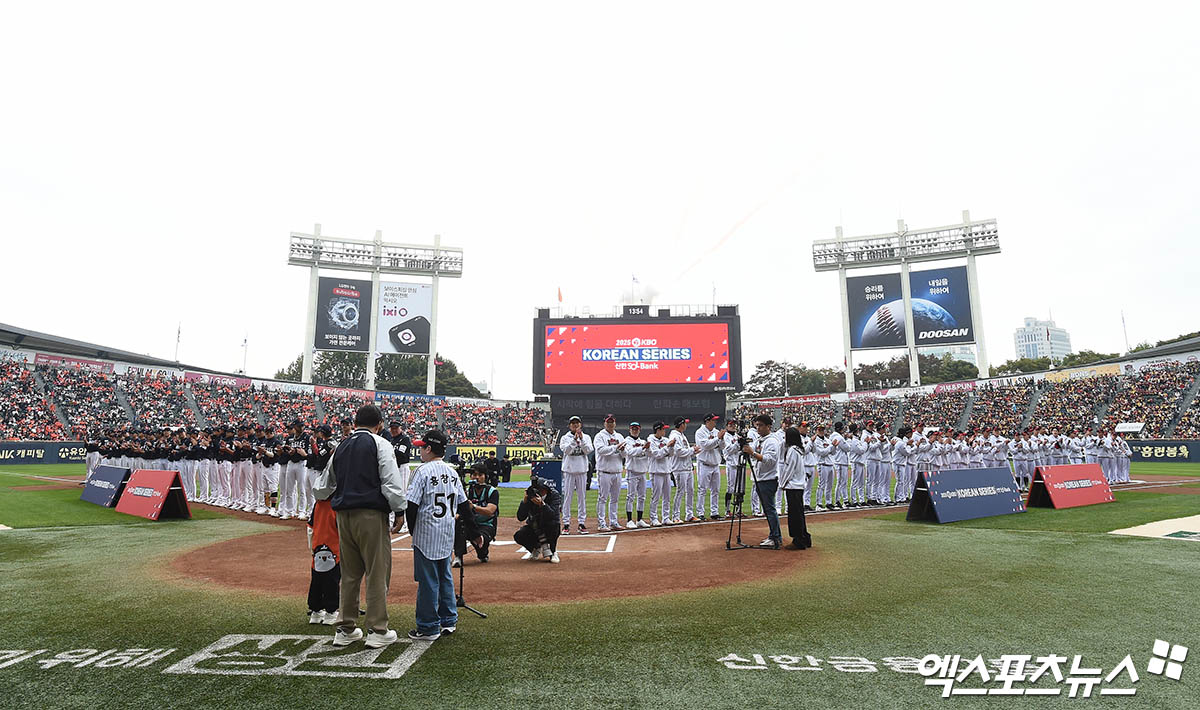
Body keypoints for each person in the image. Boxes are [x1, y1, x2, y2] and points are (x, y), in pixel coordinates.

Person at [314, 404, 408, 649]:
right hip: (370, 513)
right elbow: (391, 482)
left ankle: (345, 628)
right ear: (379, 424)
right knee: (377, 571)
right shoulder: (380, 444)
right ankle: (377, 629)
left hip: (342, 516)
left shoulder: (341, 446)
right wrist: (399, 509)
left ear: (355, 422)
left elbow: (322, 486)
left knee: (349, 573)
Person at [405, 429, 468, 640]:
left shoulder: (422, 471)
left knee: (428, 581)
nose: (420, 450)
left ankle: (428, 626)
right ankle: (448, 620)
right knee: (445, 577)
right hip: (446, 532)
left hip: (426, 534)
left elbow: (411, 506)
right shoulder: (452, 472)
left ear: (429, 448)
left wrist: (413, 531)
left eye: (422, 447)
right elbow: (464, 504)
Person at [741, 414, 782, 549]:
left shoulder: (772, 441)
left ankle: (775, 536)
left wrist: (752, 453)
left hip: (768, 478)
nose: (758, 428)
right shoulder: (760, 440)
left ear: (768, 426)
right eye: (757, 425)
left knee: (770, 509)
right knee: (768, 508)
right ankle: (774, 535)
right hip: (760, 478)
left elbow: (770, 460)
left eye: (761, 425)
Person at [453, 462, 499, 567]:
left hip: (487, 525)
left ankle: (483, 553)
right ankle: (458, 556)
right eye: (474, 475)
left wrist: (473, 507)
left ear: (485, 477)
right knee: (459, 524)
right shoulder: (467, 492)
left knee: (481, 546)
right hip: (471, 524)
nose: (477, 477)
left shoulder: (492, 491)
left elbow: (490, 511)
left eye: (480, 475)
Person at [306, 495, 340, 626]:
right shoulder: (337, 504)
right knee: (332, 580)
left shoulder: (318, 504)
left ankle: (315, 610)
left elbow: (310, 527)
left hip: (318, 547)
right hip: (334, 548)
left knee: (317, 579)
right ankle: (331, 611)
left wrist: (312, 548)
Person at [515, 474, 563, 562]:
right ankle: (535, 548)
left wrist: (542, 505)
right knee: (519, 535)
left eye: (539, 489)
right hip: (534, 527)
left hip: (549, 526)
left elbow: (553, 516)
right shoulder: (530, 497)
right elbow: (520, 517)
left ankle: (553, 551)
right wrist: (525, 502)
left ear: (545, 490)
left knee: (554, 525)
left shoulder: (554, 495)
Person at [558, 415, 593, 534]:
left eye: (577, 423)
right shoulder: (565, 438)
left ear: (580, 425)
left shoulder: (586, 437)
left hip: (582, 470)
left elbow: (588, 450)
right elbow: (567, 451)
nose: (575, 425)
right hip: (569, 471)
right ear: (569, 425)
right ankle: (566, 523)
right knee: (567, 497)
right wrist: (574, 440)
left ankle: (581, 523)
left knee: (581, 498)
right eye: (573, 423)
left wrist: (581, 440)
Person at [778, 427, 811, 550]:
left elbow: (789, 469)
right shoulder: (799, 450)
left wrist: (782, 483)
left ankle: (798, 540)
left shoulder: (792, 450)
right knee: (799, 513)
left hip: (793, 485)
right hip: (799, 485)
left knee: (794, 515)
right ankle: (805, 537)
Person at [593, 414, 625, 532]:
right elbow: (601, 450)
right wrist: (616, 448)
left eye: (612, 422)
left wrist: (622, 450)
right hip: (604, 471)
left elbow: (625, 455)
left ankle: (613, 521)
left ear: (615, 423)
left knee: (615, 499)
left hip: (617, 471)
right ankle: (601, 523)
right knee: (603, 498)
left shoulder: (620, 436)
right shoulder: (599, 436)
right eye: (608, 422)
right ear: (605, 423)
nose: (610, 424)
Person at [695, 413, 723, 520]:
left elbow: (722, 446)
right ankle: (700, 512)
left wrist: (722, 439)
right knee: (702, 489)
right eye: (713, 420)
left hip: (715, 464)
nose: (715, 422)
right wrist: (717, 439)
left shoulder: (716, 432)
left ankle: (714, 512)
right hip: (704, 464)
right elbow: (705, 445)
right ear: (707, 421)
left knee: (715, 490)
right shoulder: (700, 432)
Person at [622, 422, 650, 528]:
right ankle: (629, 520)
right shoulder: (626, 441)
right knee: (630, 496)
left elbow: (648, 454)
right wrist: (643, 449)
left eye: (637, 429)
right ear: (630, 430)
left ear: (639, 430)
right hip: (632, 471)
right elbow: (630, 452)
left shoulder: (643, 441)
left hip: (642, 471)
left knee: (642, 497)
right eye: (633, 429)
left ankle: (639, 519)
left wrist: (646, 449)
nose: (635, 430)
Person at [668, 417, 695, 523]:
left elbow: (685, 451)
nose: (686, 425)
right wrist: (692, 450)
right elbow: (679, 452)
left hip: (687, 467)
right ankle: (675, 516)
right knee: (680, 491)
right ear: (681, 424)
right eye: (684, 423)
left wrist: (694, 451)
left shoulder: (681, 435)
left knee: (690, 491)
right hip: (679, 468)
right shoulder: (674, 436)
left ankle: (689, 514)